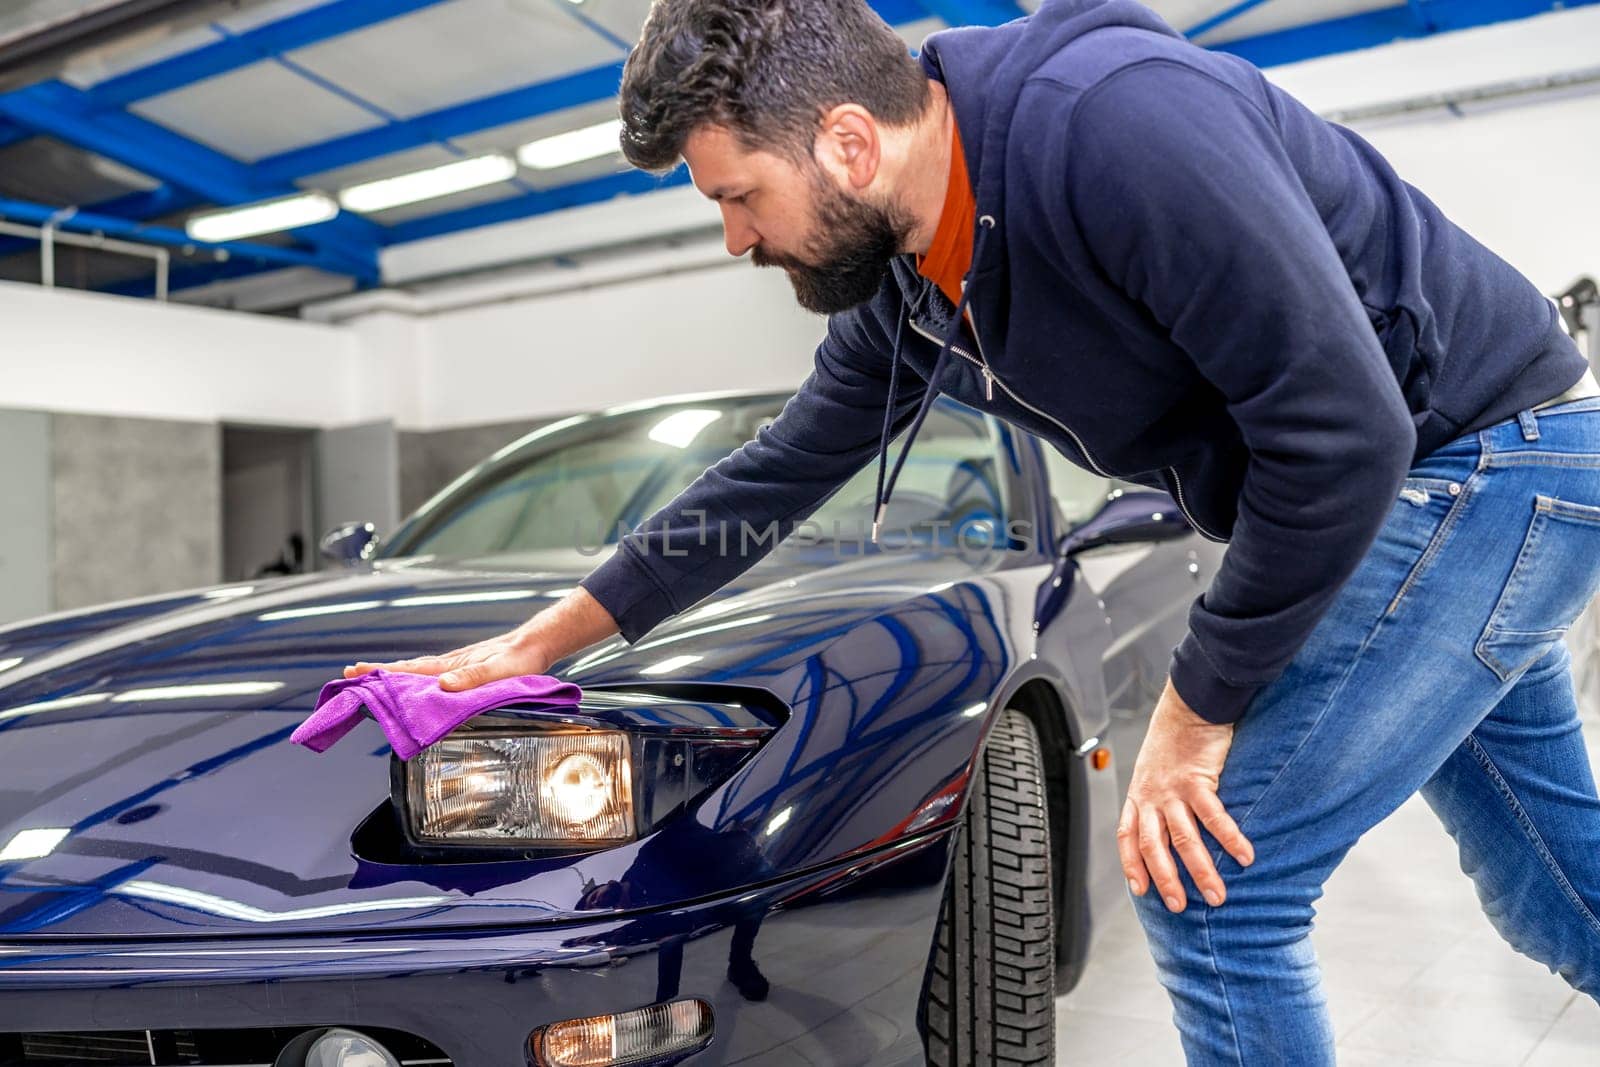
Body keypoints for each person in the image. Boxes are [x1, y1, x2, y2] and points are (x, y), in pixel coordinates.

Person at [344, 0, 1600, 1060]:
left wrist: (1191, 711)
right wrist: (535, 644)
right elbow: (772, 475)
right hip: (1453, 481)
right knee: (1557, 887)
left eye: (739, 196)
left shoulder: (1113, 125)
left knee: (1216, 881)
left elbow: (1341, 429)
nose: (735, 238)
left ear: (844, 143)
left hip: (1480, 462)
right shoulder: (914, 285)